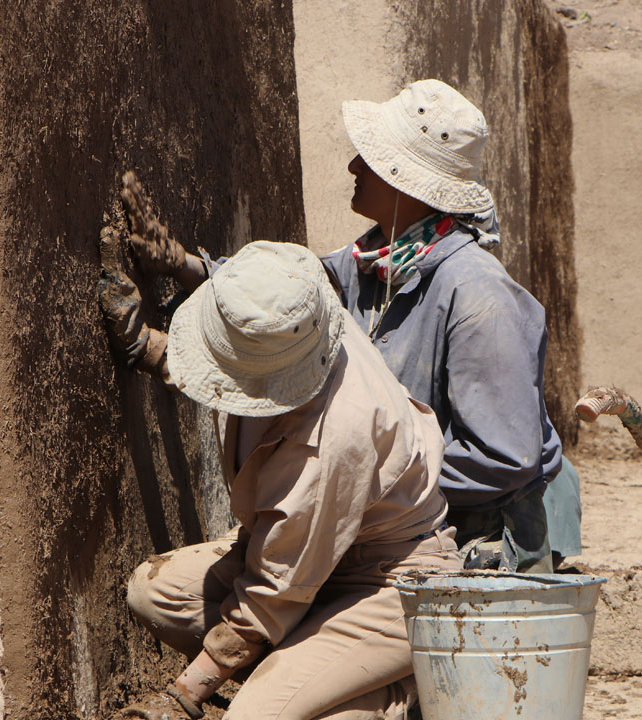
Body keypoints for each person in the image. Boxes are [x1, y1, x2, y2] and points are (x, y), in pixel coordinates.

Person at [125, 79, 581, 573]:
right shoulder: (374, 262)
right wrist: (181, 264)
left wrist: (362, 480)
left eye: (370, 158)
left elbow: (505, 459)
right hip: (394, 523)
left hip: (475, 546)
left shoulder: (478, 296)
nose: (353, 167)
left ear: (405, 181)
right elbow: (294, 293)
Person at [99, 237, 461, 720]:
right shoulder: (303, 323)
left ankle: (392, 693)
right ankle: (314, 670)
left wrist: (183, 694)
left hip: (388, 581)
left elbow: (278, 586)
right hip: (309, 558)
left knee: (255, 717)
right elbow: (235, 364)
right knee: (156, 592)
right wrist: (146, 346)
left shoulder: (337, 433)